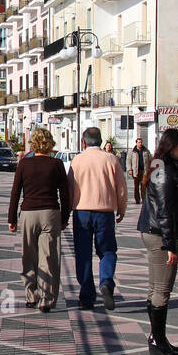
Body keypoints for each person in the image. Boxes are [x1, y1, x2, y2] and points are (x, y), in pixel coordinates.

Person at [137, 128, 178, 355]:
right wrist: (170, 244)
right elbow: (165, 210)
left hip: (155, 231)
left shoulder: (161, 166)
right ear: (171, 146)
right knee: (162, 288)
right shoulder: (165, 170)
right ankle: (158, 342)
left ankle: (157, 338)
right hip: (160, 233)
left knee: (155, 287)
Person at [7, 128, 71, 312]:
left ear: (33, 144)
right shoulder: (56, 164)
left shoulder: (24, 164)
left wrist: (12, 218)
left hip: (28, 213)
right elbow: (65, 194)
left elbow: (15, 193)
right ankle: (46, 299)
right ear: (50, 143)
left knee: (29, 256)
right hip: (50, 213)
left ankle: (30, 295)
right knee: (49, 257)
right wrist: (65, 217)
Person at [67, 127, 127, 311]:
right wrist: (121, 209)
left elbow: (71, 187)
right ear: (100, 141)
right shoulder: (111, 159)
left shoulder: (77, 160)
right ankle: (106, 282)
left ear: (83, 142)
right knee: (107, 250)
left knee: (83, 254)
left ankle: (86, 297)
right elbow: (121, 187)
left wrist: (69, 209)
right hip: (105, 211)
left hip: (83, 211)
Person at [127, 138, 149, 205]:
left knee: (143, 186)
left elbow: (150, 159)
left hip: (144, 171)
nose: (140, 144)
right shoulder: (132, 151)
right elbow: (128, 161)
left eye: (141, 142)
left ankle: (144, 200)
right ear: (136, 143)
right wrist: (130, 169)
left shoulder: (146, 151)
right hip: (136, 171)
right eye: (139, 142)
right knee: (136, 186)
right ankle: (137, 200)